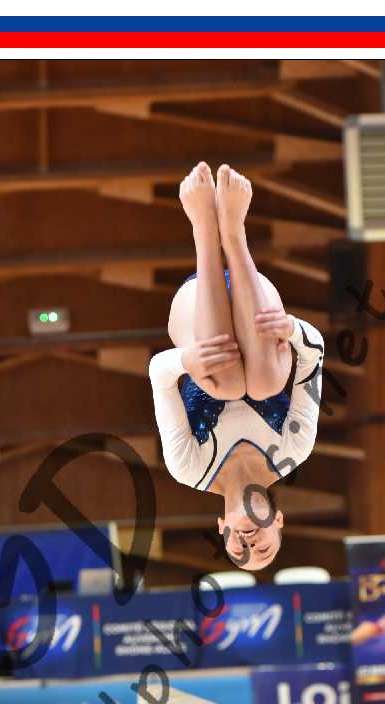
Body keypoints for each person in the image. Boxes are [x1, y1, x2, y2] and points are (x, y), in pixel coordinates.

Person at [149, 162, 325, 572]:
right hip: (256, 301)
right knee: (262, 383)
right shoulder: (294, 449)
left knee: (225, 384)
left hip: (198, 307)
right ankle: (233, 232)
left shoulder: (189, 468)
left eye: (238, 550)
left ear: (221, 527)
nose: (249, 544)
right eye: (263, 550)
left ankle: (205, 232)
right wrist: (292, 329)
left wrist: (187, 361)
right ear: (278, 522)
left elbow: (159, 374)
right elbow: (314, 355)